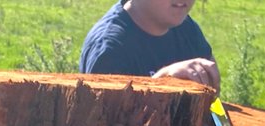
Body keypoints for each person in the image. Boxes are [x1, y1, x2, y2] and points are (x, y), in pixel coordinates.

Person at [79, 0, 220, 93]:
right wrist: (160, 83)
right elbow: (107, 125)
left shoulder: (186, 28)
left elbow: (212, 103)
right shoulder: (110, 51)